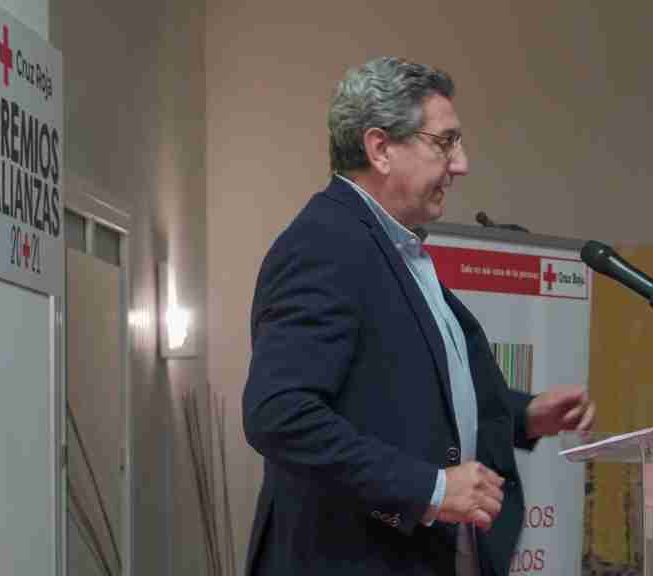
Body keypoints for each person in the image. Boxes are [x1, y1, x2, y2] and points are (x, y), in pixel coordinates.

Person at [242, 56, 596, 576]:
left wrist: (522, 415)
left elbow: (400, 391)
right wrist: (430, 489)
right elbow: (279, 414)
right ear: (380, 149)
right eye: (445, 142)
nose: (461, 164)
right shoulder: (324, 245)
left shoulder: (392, 247)